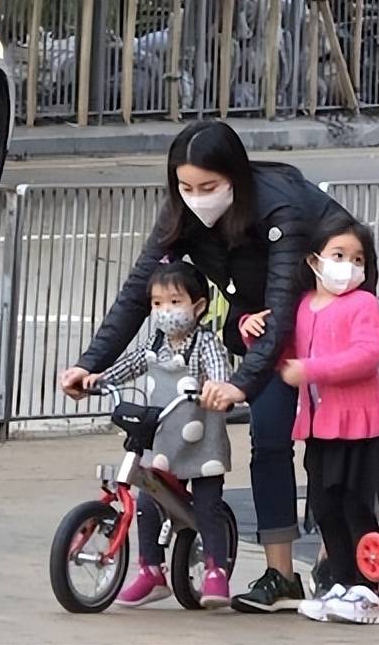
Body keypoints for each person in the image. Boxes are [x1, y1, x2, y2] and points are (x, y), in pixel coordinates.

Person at [61, 120, 356, 614]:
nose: (197, 198)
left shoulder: (279, 206)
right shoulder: (182, 216)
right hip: (263, 323)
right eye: (186, 187)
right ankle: (281, 575)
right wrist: (88, 364)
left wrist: (239, 383)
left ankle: (339, 559)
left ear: (235, 179)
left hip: (329, 316)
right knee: (269, 439)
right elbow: (139, 291)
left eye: (209, 187)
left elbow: (285, 308)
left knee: (330, 443)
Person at [241, 215, 379, 625]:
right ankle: (342, 582)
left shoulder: (362, 304)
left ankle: (368, 590)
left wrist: (311, 369)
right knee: (325, 504)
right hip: (321, 426)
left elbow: (366, 357)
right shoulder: (303, 307)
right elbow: (288, 356)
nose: (348, 265)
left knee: (357, 505)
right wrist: (251, 331)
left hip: (365, 425)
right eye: (339, 255)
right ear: (314, 261)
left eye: (357, 258)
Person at [82, 261, 235, 609]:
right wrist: (100, 379)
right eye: (157, 304)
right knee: (148, 502)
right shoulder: (156, 342)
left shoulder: (204, 344)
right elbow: (132, 364)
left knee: (208, 506)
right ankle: (151, 571)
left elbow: (220, 372)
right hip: (164, 438)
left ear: (197, 306)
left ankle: (215, 569)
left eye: (175, 302)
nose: (165, 311)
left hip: (201, 442)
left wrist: (217, 386)